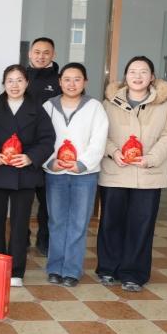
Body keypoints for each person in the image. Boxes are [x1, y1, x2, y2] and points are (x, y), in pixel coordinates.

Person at [96, 56, 167, 292]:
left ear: (152, 77)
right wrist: (113, 152)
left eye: (143, 72)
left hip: (149, 174)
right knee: (111, 222)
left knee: (141, 225)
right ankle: (108, 268)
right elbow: (100, 134)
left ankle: (134, 273)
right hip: (116, 172)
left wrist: (151, 158)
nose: (138, 76)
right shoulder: (109, 103)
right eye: (132, 71)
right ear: (126, 76)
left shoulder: (165, 105)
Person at [0, 65, 55, 287]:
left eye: (19, 80)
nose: (15, 85)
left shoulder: (37, 109)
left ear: (27, 83)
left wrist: (31, 157)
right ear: (3, 83)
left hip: (24, 174)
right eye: (10, 80)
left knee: (20, 225)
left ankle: (16, 271)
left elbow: (47, 140)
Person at [42, 63, 108, 287]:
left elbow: (99, 140)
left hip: (85, 175)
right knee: (56, 222)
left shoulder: (95, 107)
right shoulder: (48, 106)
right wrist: (50, 162)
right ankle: (54, 268)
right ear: (59, 82)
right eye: (67, 79)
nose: (72, 84)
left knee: (79, 224)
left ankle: (71, 270)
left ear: (85, 82)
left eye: (77, 79)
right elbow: (40, 138)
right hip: (55, 173)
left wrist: (82, 164)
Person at [25, 37, 61, 257]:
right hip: (23, 151)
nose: (41, 56)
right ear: (30, 53)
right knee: (23, 199)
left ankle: (44, 240)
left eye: (46, 52)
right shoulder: (21, 76)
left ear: (53, 55)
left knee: (47, 201)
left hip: (50, 149)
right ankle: (22, 237)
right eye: (37, 52)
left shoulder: (60, 80)